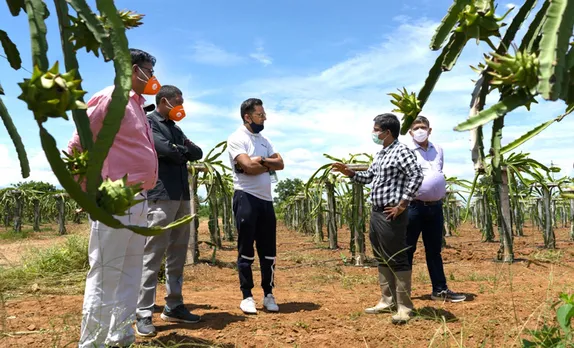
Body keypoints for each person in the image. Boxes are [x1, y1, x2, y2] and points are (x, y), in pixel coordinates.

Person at [69, 48, 161, 348]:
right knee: (107, 272)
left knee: (130, 271)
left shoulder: (137, 106)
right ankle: (92, 342)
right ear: (135, 70)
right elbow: (79, 142)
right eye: (149, 70)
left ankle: (119, 335)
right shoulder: (111, 98)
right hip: (114, 197)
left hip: (138, 199)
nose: (153, 77)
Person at [332, 113, 423, 324]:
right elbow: (369, 177)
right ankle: (387, 300)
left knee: (397, 256)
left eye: (376, 130)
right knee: (381, 256)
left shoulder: (401, 151)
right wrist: (350, 173)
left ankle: (404, 307)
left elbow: (417, 175)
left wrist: (402, 204)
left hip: (392, 212)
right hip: (377, 211)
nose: (374, 133)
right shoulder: (381, 154)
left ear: (387, 132)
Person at [135, 85, 204, 337]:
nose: (182, 106)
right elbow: (163, 150)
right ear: (164, 101)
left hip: (182, 197)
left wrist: (180, 151)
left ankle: (174, 305)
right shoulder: (149, 123)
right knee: (152, 255)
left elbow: (197, 152)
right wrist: (180, 151)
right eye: (179, 102)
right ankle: (143, 312)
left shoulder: (176, 128)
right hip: (161, 196)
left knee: (177, 253)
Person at [227, 98, 284, 314]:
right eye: (260, 115)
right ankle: (247, 295)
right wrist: (262, 164)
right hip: (246, 197)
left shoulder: (264, 140)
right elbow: (247, 166)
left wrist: (259, 161)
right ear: (247, 117)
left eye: (264, 114)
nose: (265, 118)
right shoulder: (236, 138)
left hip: (266, 201)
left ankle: (268, 294)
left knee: (268, 250)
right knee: (246, 250)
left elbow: (280, 163)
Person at [405, 115, 466, 302]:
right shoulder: (406, 151)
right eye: (416, 128)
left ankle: (440, 290)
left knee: (434, 250)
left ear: (430, 130)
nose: (420, 130)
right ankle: (402, 292)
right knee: (407, 249)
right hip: (413, 206)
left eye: (423, 127)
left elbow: (437, 172)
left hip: (435, 207)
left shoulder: (438, 149)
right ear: (410, 132)